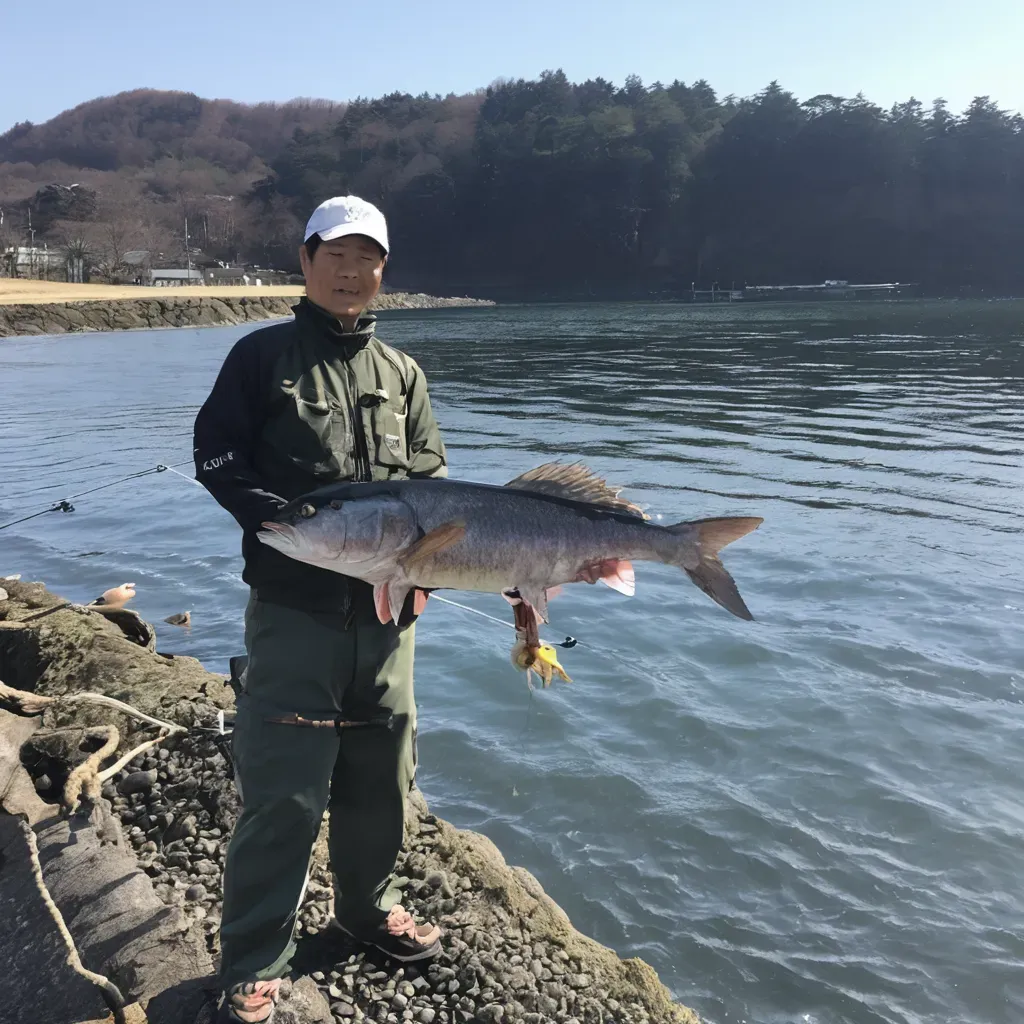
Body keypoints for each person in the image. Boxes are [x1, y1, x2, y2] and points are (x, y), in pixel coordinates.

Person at [193, 196, 448, 1024]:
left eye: (368, 257)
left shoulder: (402, 373)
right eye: (336, 254)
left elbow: (433, 483)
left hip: (390, 621)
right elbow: (218, 456)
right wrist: (287, 524)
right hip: (295, 613)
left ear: (384, 271)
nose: (352, 271)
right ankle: (256, 956)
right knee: (286, 790)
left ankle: (366, 912)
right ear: (305, 261)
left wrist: (458, 566)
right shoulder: (261, 357)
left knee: (383, 778)